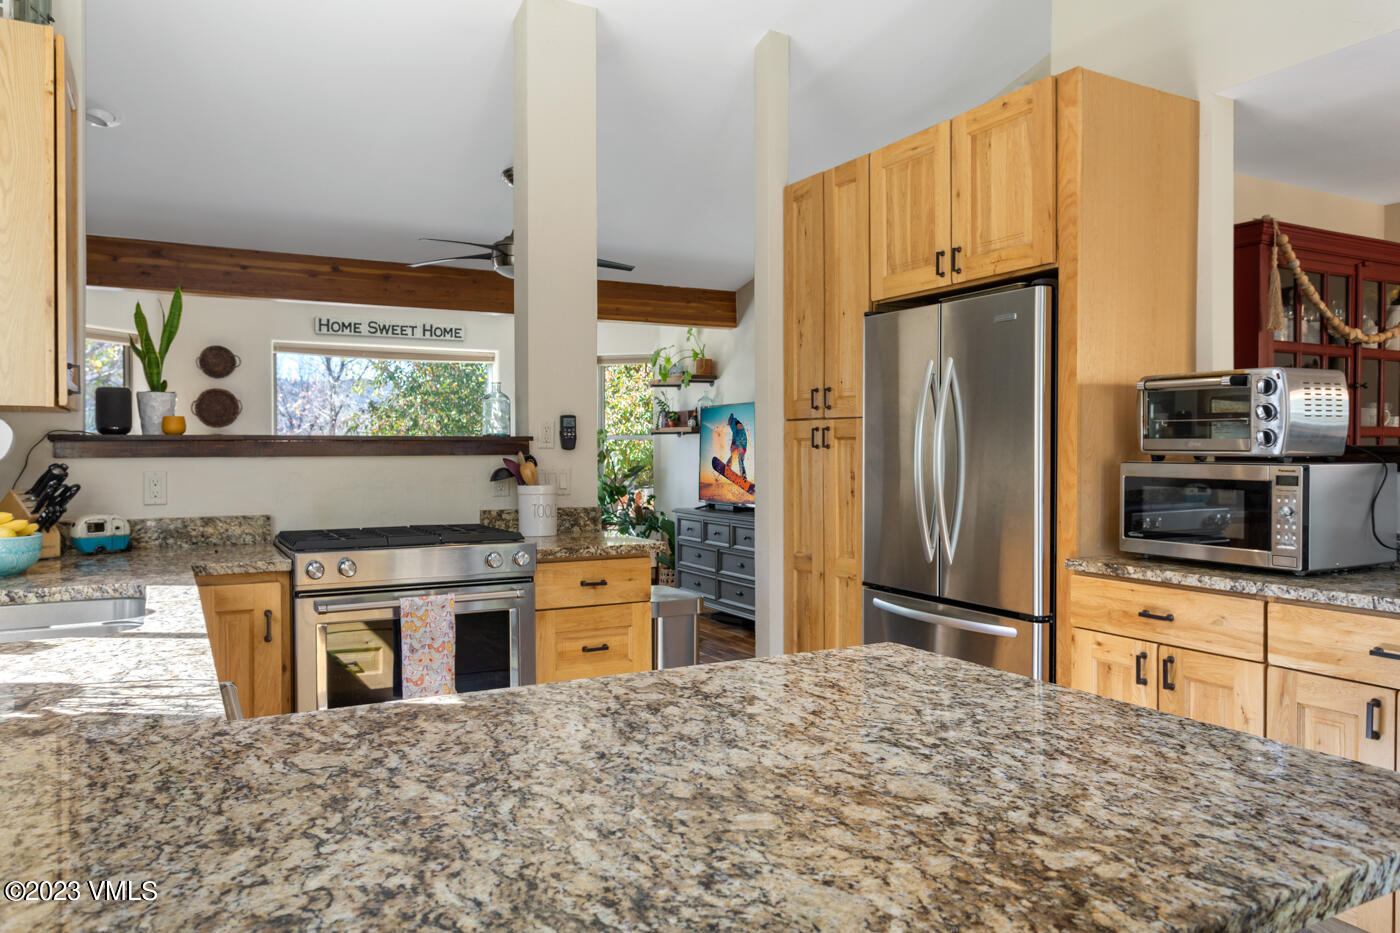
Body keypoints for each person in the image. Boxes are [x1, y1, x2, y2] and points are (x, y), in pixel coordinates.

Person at [725, 412, 749, 480]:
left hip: (738, 441)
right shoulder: (738, 422)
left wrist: (733, 443)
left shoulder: (733, 422)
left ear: (730, 420)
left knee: (733, 454)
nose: (729, 424)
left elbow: (735, 433)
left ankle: (727, 466)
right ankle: (743, 475)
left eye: (728, 423)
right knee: (740, 459)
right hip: (744, 443)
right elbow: (742, 432)